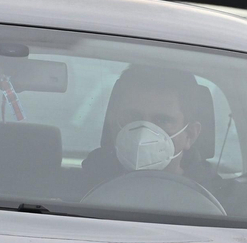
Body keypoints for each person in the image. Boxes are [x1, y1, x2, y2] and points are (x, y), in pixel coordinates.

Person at [80, 65, 227, 202]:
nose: (143, 133)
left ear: (190, 134)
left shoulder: (223, 206)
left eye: (162, 121)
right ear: (113, 124)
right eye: (132, 117)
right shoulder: (76, 192)